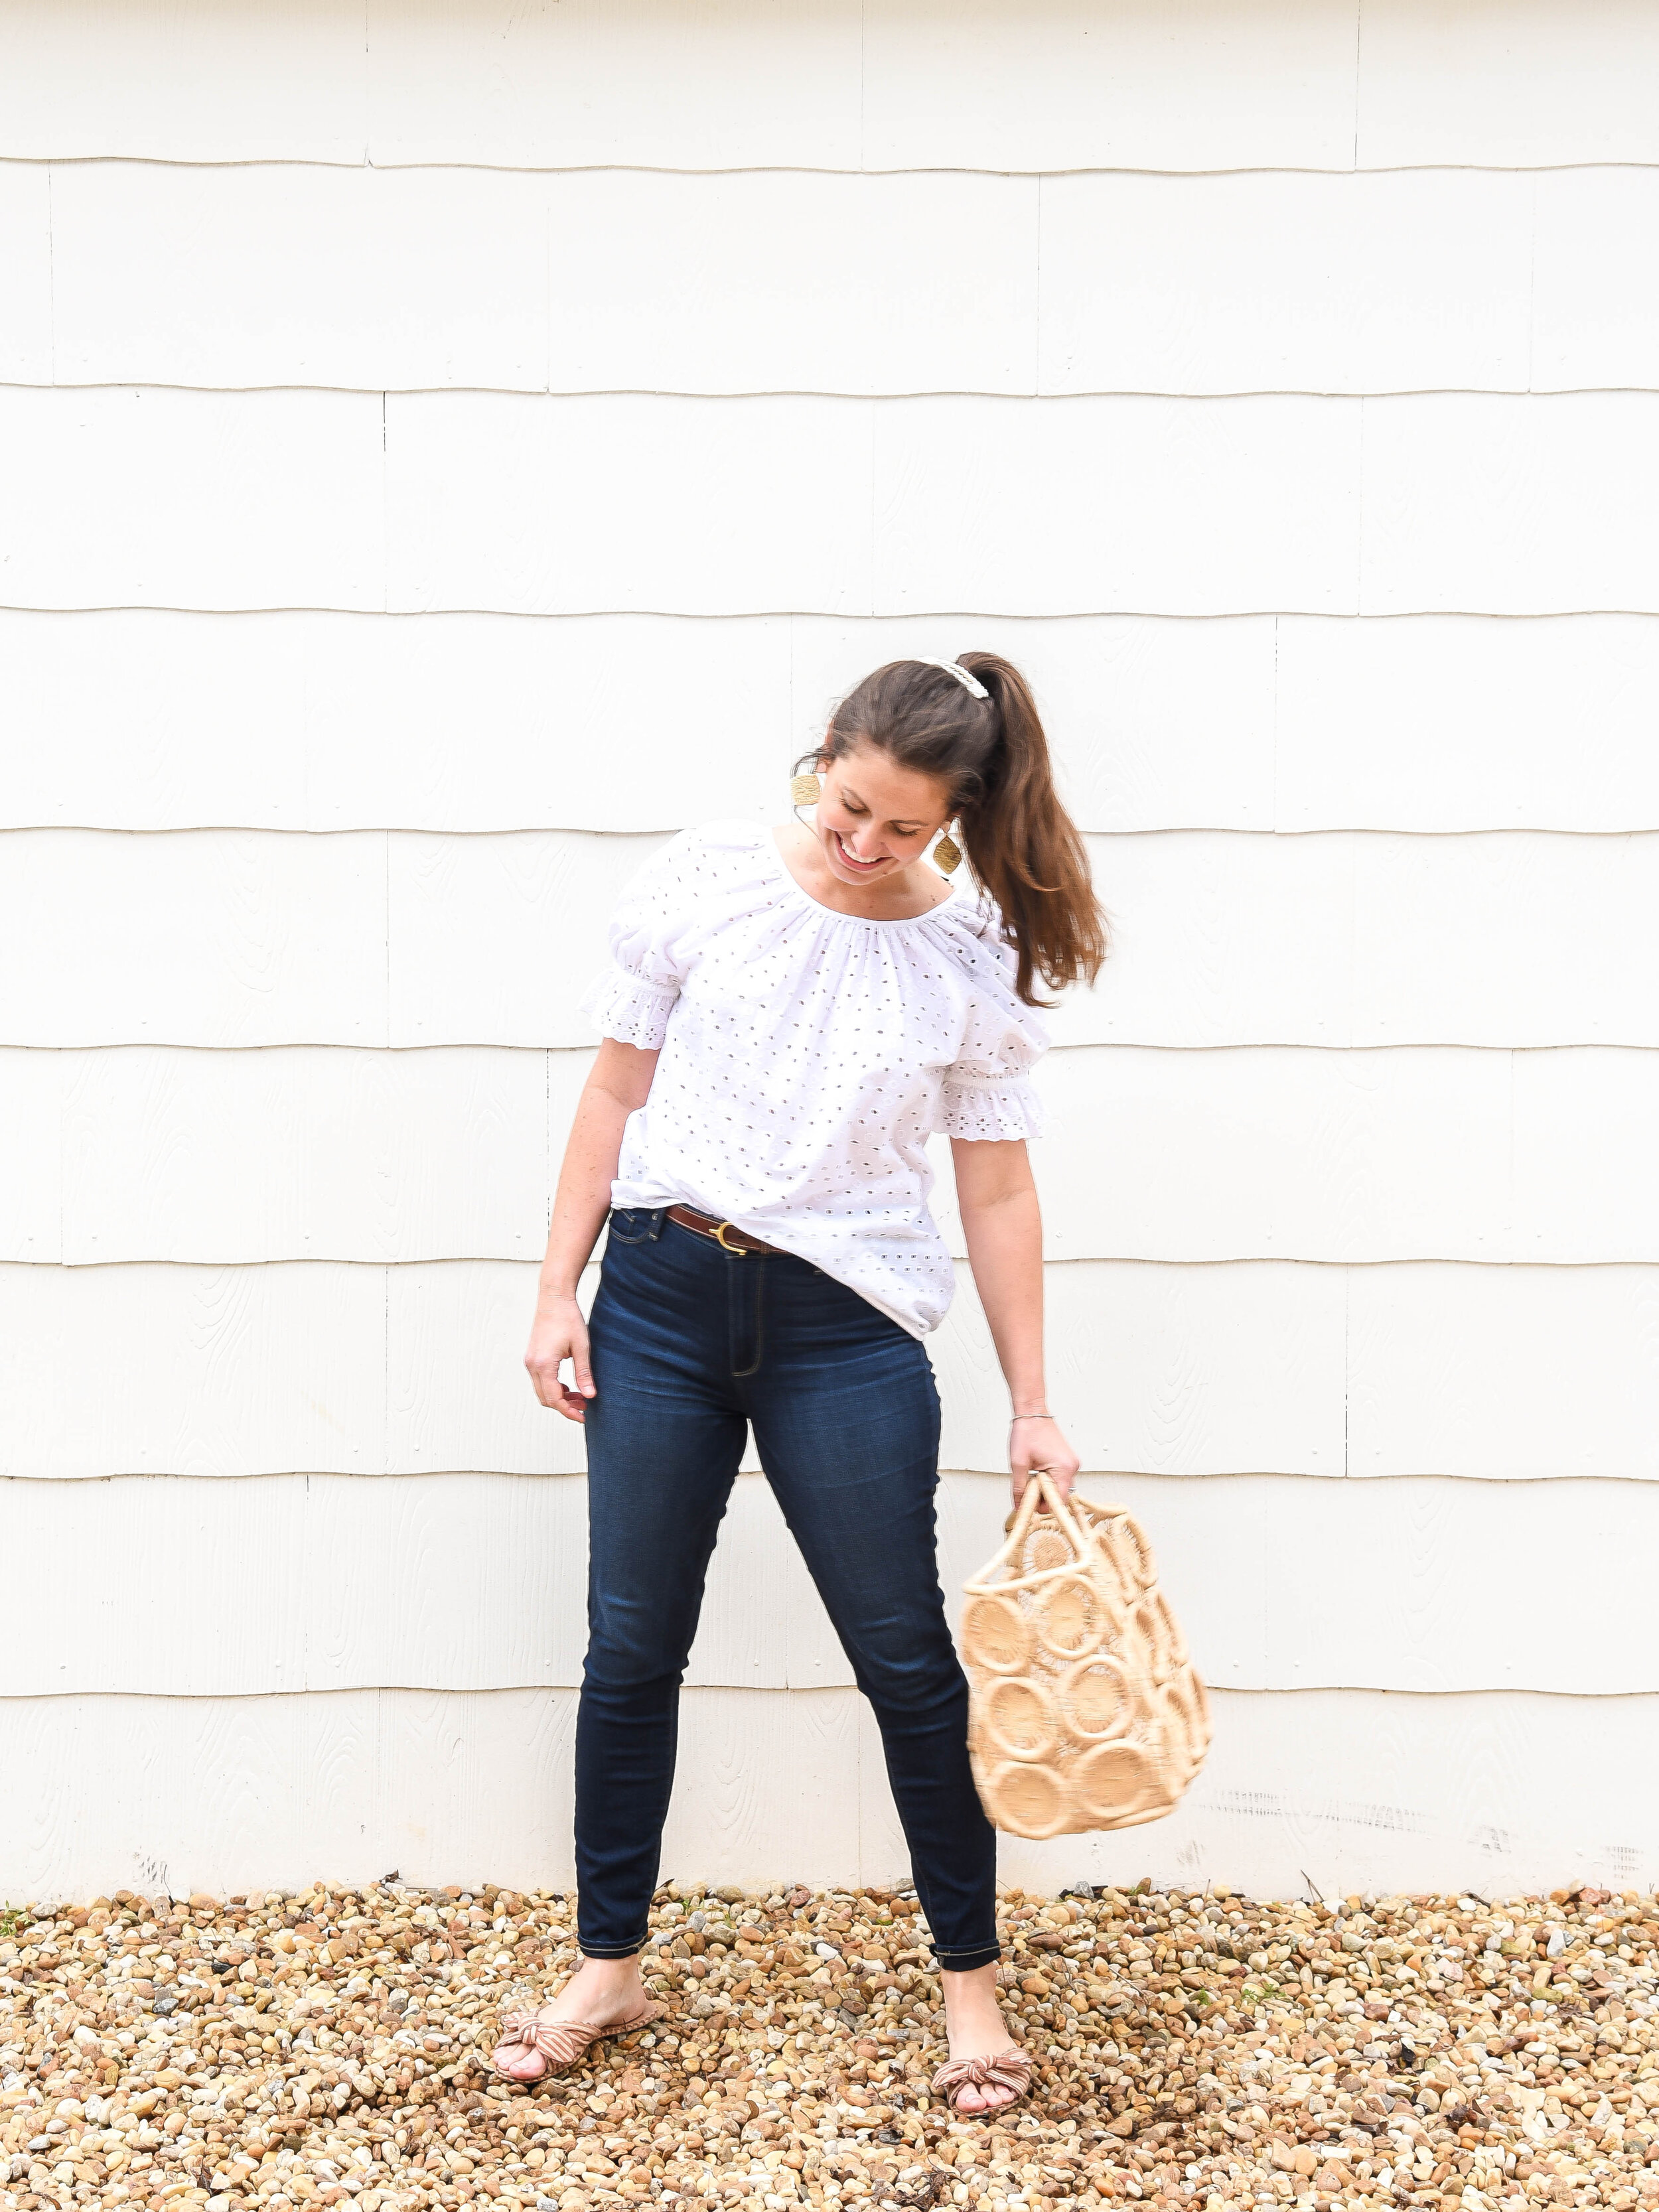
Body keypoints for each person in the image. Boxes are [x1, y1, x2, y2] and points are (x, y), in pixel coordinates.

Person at [492, 653, 1107, 2116]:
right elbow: (611, 1091)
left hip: (847, 1332)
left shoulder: (962, 956)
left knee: (905, 1659)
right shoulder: (704, 882)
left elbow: (1000, 1192)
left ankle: (971, 1991)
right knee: (630, 1644)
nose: (865, 844)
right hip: (655, 1298)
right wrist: (551, 1288)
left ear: (950, 820)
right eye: (849, 809)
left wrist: (1032, 1398)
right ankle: (606, 1961)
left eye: (902, 828)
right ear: (820, 760)